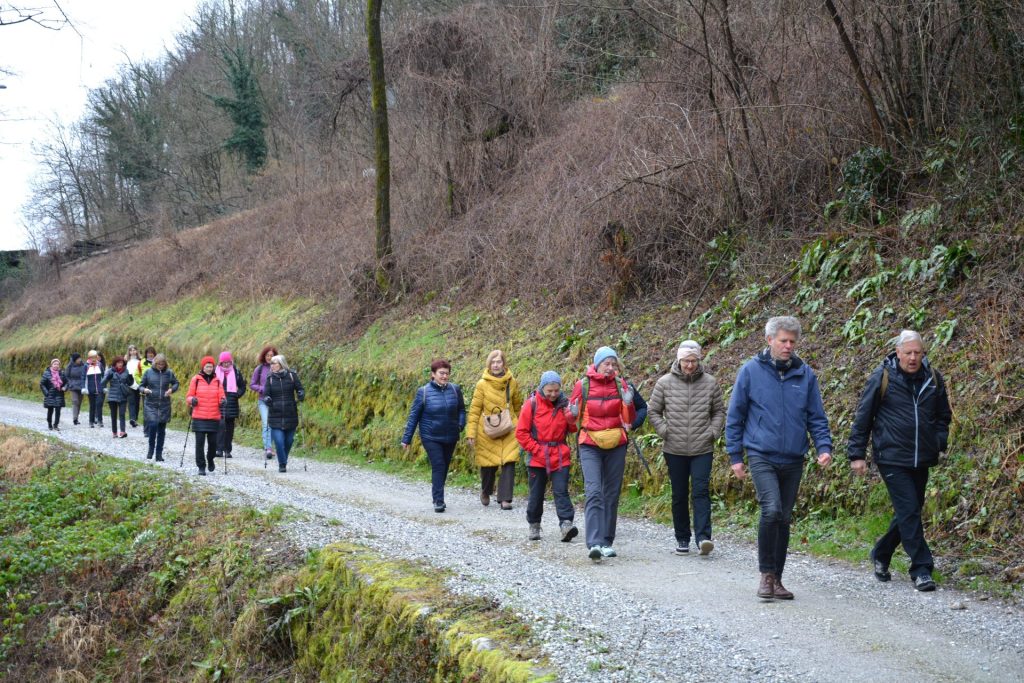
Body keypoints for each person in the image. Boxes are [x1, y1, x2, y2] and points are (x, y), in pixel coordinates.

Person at [725, 316, 832, 600]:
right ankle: (766, 575)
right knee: (771, 510)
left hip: (794, 456)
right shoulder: (750, 371)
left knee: (783, 518)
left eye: (792, 342)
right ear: (769, 340)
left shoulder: (805, 374)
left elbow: (816, 416)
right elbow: (735, 416)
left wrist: (823, 447)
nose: (788, 346)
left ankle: (778, 579)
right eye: (783, 341)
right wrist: (735, 456)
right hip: (761, 453)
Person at [848, 330, 952, 592]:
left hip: (922, 457)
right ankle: (921, 569)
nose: (913, 358)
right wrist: (857, 454)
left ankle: (881, 553)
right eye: (908, 353)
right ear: (898, 353)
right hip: (892, 457)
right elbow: (863, 417)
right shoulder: (882, 377)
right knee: (909, 511)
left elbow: (943, 415)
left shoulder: (933, 378)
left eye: (918, 352)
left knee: (910, 510)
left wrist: (939, 441)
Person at [648, 340, 725, 556]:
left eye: (693, 361)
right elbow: (653, 411)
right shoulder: (664, 383)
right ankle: (682, 538)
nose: (689, 365)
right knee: (679, 494)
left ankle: (703, 538)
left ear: (699, 360)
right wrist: (665, 431)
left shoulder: (710, 383)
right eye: (685, 361)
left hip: (703, 448)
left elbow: (719, 411)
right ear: (678, 360)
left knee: (701, 492)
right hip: (674, 449)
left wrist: (713, 432)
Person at [569, 346, 636, 562]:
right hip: (590, 443)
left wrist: (628, 403)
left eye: (613, 364)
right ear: (597, 365)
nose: (610, 367)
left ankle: (607, 542)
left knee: (611, 493)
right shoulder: (583, 385)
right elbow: (571, 421)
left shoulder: (620, 384)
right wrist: (570, 414)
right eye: (606, 363)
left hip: (617, 443)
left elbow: (629, 419)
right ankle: (594, 543)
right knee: (594, 491)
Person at [517, 370, 578, 542]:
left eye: (556, 390)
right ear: (542, 388)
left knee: (561, 491)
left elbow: (573, 429)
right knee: (536, 494)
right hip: (537, 457)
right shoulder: (532, 404)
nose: (553, 394)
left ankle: (566, 525)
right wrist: (536, 450)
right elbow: (521, 432)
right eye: (549, 391)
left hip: (560, 454)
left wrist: (572, 416)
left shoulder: (565, 404)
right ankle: (534, 524)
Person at [401, 359, 466, 512]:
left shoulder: (455, 390)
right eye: (441, 373)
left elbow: (462, 410)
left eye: (447, 373)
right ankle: (438, 500)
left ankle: (437, 494)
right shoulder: (423, 392)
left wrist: (460, 425)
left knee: (444, 466)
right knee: (439, 465)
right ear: (433, 374)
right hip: (431, 436)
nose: (444, 376)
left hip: (450, 435)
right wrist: (407, 438)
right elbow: (414, 416)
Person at [466, 350, 524, 510]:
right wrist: (471, 432)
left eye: (499, 362)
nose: (496, 365)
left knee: (509, 461)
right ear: (489, 364)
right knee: (488, 464)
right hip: (487, 429)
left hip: (509, 427)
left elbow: (517, 406)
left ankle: (505, 499)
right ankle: (486, 490)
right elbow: (475, 410)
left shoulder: (512, 382)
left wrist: (522, 426)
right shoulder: (482, 384)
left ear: (504, 364)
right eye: (493, 362)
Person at [262, 354, 305, 473]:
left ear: (281, 364)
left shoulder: (292, 375)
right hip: (275, 414)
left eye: (274, 363)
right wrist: (267, 399)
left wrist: (301, 394)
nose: (271, 365)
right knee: (279, 441)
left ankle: (283, 459)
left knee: (289, 441)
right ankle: (282, 464)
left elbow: (300, 388)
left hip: (290, 413)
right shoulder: (270, 378)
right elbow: (266, 394)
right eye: (271, 363)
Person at [186, 356, 225, 475]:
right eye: (207, 366)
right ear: (203, 367)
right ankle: (201, 466)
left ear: (214, 367)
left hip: (214, 417)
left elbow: (222, 396)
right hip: (199, 417)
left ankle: (210, 458)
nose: (209, 368)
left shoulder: (217, 381)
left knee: (213, 444)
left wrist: (223, 401)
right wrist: (192, 400)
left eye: (211, 366)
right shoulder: (196, 380)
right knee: (199, 444)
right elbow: (189, 396)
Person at [139, 354, 179, 461]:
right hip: (151, 404)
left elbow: (176, 383)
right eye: (159, 364)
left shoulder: (169, 373)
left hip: (164, 404)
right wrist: (144, 390)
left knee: (162, 430)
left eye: (163, 364)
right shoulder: (148, 372)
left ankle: (159, 454)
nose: (161, 366)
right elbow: (141, 386)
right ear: (155, 363)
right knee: (153, 425)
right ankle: (151, 449)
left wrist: (171, 390)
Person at [215, 351, 246, 458]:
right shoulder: (215, 372)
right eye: (224, 362)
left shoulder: (236, 372)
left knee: (229, 428)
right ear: (221, 362)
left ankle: (227, 450)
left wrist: (237, 395)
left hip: (232, 403)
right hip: (218, 402)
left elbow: (242, 386)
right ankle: (218, 449)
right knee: (220, 426)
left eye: (228, 362)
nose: (226, 364)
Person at [250, 345, 279, 460]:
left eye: (272, 355)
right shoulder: (260, 369)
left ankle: (271, 446)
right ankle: (268, 448)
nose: (269, 357)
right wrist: (262, 389)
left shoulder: (279, 368)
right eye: (267, 355)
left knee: (274, 424)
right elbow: (252, 384)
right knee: (266, 423)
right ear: (264, 356)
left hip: (276, 400)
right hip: (263, 401)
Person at [101, 355, 133, 438]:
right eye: (118, 363)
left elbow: (130, 383)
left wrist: (131, 378)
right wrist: (107, 378)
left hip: (123, 396)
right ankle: (114, 432)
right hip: (112, 397)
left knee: (122, 414)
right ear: (115, 363)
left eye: (121, 363)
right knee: (113, 415)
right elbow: (102, 383)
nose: (120, 364)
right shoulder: (110, 371)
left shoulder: (126, 371)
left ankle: (122, 431)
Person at [40, 358, 69, 431]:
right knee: (50, 410)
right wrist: (46, 393)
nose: (56, 365)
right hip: (50, 395)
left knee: (58, 410)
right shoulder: (47, 373)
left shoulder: (62, 373)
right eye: (54, 364)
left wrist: (65, 388)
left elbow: (67, 382)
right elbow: (42, 384)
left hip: (59, 394)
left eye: (58, 364)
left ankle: (56, 425)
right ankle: (49, 424)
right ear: (51, 365)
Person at [136, 346, 157, 436]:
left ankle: (154, 430)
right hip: (145, 390)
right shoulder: (141, 362)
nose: (150, 354)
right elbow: (136, 374)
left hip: (156, 389)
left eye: (152, 353)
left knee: (156, 410)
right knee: (147, 411)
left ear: (154, 354)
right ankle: (146, 431)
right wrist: (142, 384)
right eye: (148, 353)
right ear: (146, 354)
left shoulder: (158, 362)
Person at [84, 350, 105, 428]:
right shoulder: (86, 366)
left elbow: (103, 376)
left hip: (99, 388)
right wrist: (84, 388)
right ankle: (91, 421)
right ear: (89, 358)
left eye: (95, 357)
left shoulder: (100, 365)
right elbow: (83, 377)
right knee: (92, 405)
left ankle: (100, 421)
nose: (93, 359)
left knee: (99, 404)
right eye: (92, 357)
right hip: (90, 389)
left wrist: (104, 386)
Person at [124, 345, 143, 428]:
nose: (132, 352)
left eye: (134, 350)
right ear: (129, 352)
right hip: (129, 383)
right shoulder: (126, 361)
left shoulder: (140, 361)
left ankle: (135, 419)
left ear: (137, 351)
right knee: (131, 401)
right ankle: (132, 418)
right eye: (131, 350)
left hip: (138, 383)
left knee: (137, 401)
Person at [66, 352, 86, 425]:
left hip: (81, 386)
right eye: (78, 358)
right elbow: (66, 376)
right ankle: (74, 418)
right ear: (74, 359)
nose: (79, 359)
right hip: (73, 386)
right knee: (75, 401)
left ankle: (76, 418)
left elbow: (85, 375)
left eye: (80, 358)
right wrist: (70, 383)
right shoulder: (69, 366)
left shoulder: (83, 365)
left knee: (79, 403)